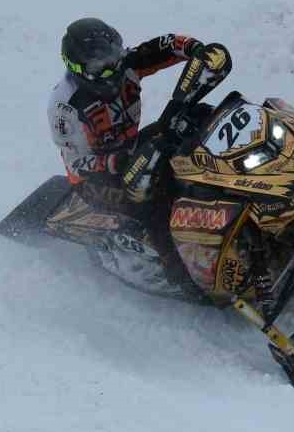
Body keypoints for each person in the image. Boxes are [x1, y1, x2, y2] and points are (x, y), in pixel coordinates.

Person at [49, 19, 229, 285]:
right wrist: (115, 162)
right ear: (79, 69)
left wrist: (193, 49)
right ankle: (182, 274)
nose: (112, 67)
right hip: (97, 178)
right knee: (153, 202)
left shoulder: (124, 66)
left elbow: (163, 47)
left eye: (114, 55)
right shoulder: (65, 105)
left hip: (134, 149)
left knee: (199, 119)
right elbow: (76, 163)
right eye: (101, 65)